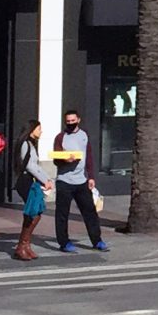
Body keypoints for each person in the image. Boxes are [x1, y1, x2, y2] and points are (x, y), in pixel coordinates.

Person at [49, 108, 107, 252]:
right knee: (62, 213)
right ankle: (64, 242)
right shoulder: (60, 137)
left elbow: (89, 156)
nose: (70, 123)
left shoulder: (84, 135)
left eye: (73, 121)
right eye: (68, 121)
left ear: (78, 120)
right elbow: (56, 159)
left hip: (81, 181)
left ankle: (97, 240)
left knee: (90, 212)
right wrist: (66, 160)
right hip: (64, 181)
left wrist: (91, 176)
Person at [13, 120, 55, 262]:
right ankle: (22, 246)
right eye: (39, 129)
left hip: (32, 181)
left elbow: (35, 166)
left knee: (36, 212)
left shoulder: (30, 144)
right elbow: (30, 166)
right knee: (33, 213)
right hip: (26, 181)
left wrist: (47, 178)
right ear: (31, 130)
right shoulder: (26, 144)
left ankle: (25, 245)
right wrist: (45, 180)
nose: (41, 132)